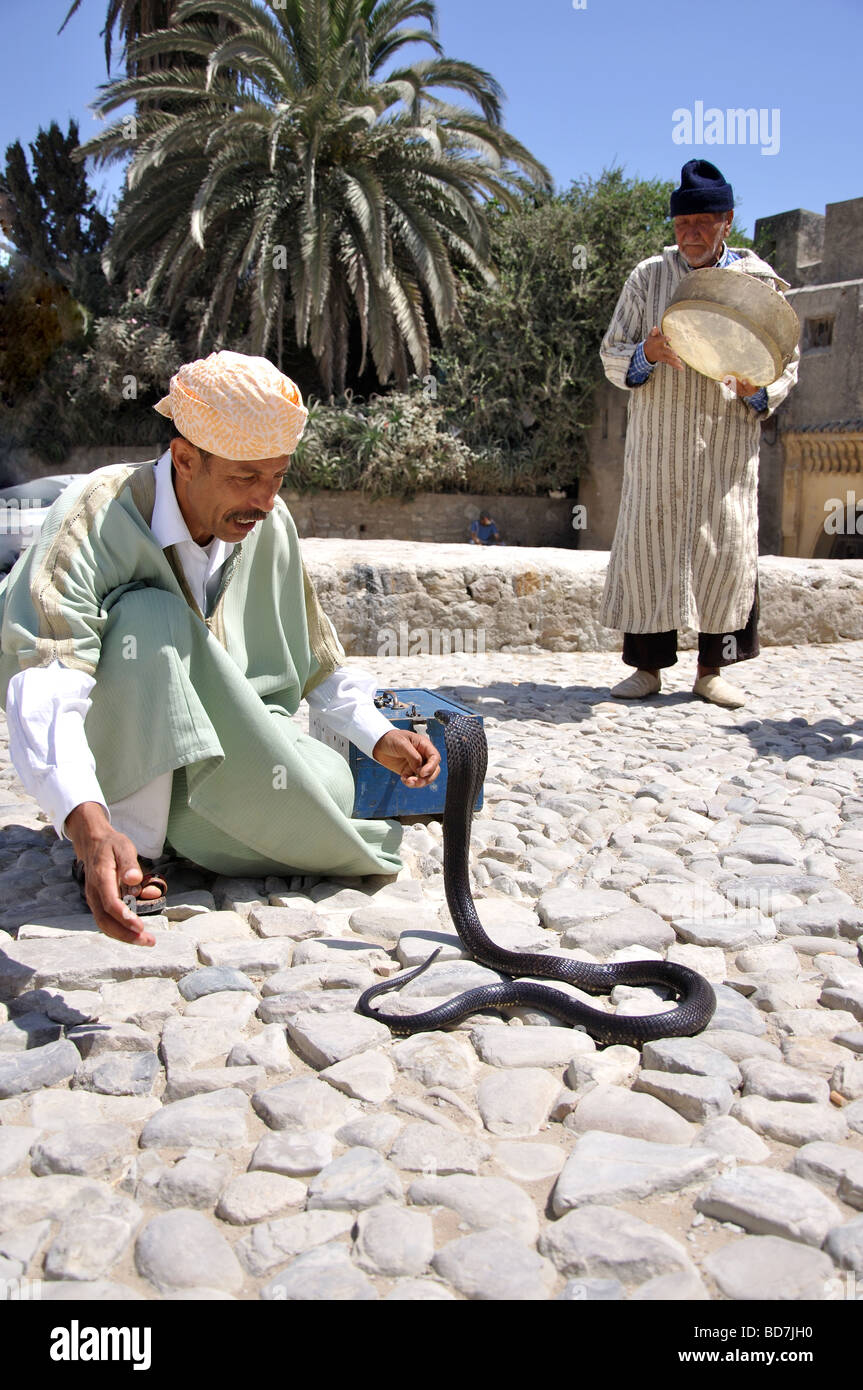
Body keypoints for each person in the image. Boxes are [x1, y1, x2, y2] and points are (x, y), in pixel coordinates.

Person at [0, 351, 440, 948]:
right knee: (146, 618)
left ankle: (189, 825)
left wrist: (379, 735)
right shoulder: (93, 519)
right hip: (123, 753)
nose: (263, 500)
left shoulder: (270, 525)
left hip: (223, 742)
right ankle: (129, 846)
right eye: (245, 477)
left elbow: (314, 657)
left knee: (332, 783)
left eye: (277, 476)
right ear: (185, 459)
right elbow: (45, 681)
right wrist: (85, 820)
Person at [599, 159, 800, 708]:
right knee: (650, 547)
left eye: (703, 221)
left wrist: (755, 386)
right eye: (682, 221)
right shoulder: (648, 278)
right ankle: (646, 668)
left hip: (726, 449)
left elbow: (787, 361)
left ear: (727, 220)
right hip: (659, 444)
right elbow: (612, 352)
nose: (690, 232)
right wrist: (648, 352)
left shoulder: (758, 283)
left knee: (727, 549)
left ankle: (713, 670)